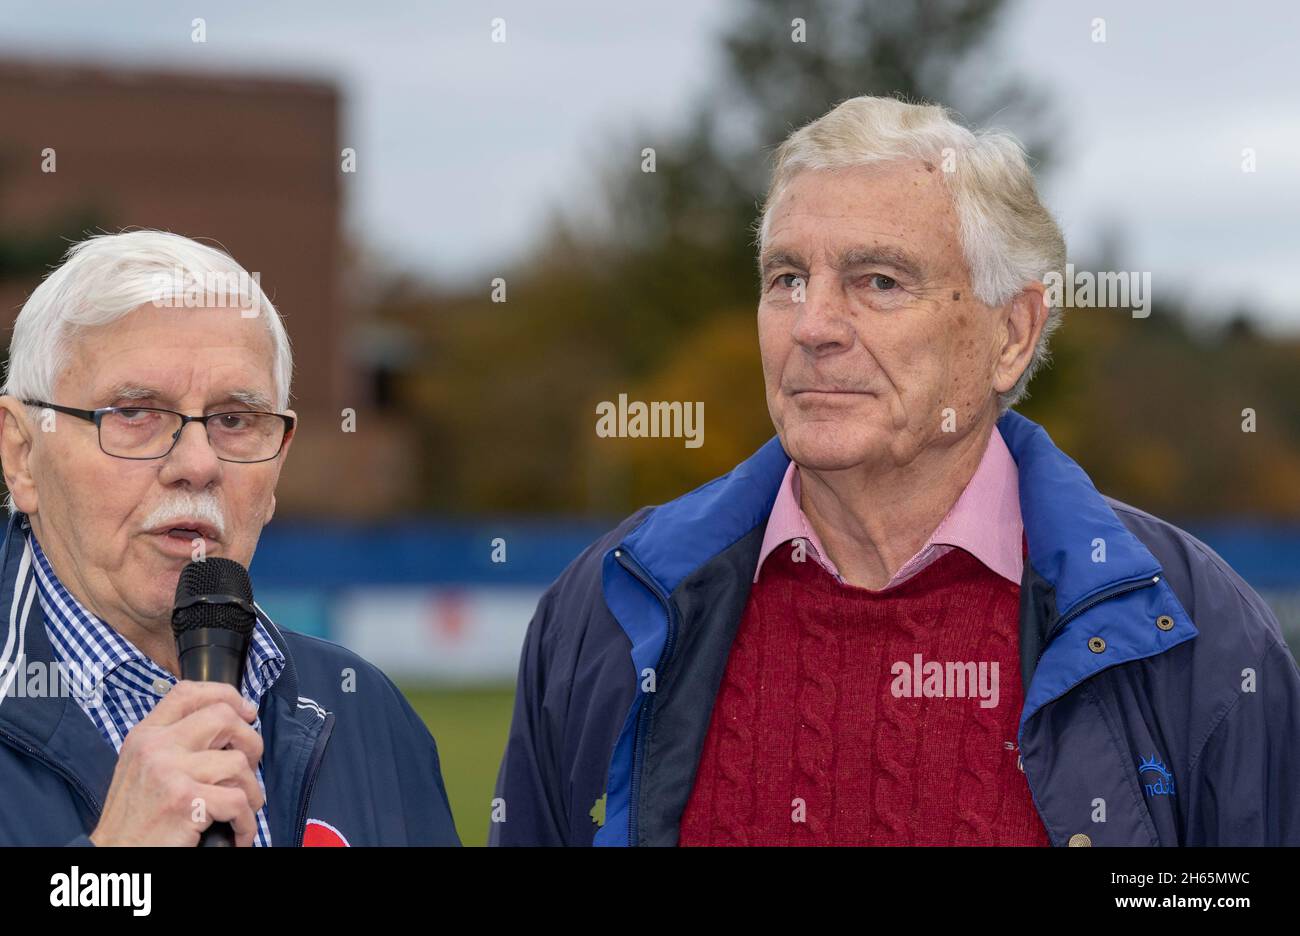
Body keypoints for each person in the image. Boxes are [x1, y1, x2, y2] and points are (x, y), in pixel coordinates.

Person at [492, 96, 1300, 847]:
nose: (813, 326)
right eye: (787, 280)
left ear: (1012, 333)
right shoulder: (607, 610)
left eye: (877, 281)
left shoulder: (1195, 634)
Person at [0, 230, 459, 846]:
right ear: (23, 454)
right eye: (134, 412)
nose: (198, 462)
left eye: (235, 420)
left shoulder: (367, 715)